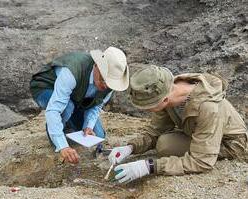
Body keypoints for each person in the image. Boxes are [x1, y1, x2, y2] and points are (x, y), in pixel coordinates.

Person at [108, 65, 248, 184]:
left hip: (228, 143)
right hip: (195, 133)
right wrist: (130, 147)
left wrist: (150, 166)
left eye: (148, 107)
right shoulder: (165, 88)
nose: (147, 110)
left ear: (164, 100)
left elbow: (201, 161)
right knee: (164, 143)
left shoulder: (207, 107)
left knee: (165, 147)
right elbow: (155, 131)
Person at [30, 47, 129, 164]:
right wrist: (63, 147)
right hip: (46, 87)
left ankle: (66, 124)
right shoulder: (72, 71)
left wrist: (88, 126)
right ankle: (56, 131)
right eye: (103, 79)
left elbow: (96, 105)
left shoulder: (109, 86)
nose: (105, 86)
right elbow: (54, 110)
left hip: (76, 98)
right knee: (67, 107)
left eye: (110, 83)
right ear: (97, 65)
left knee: (98, 135)